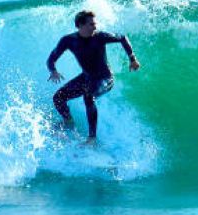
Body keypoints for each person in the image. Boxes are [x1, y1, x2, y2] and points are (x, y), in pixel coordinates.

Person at [46, 10, 140, 143]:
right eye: (91, 24)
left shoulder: (100, 37)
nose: (95, 27)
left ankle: (92, 138)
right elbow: (51, 58)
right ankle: (68, 121)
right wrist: (53, 70)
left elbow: (122, 37)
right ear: (80, 25)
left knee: (89, 96)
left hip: (105, 78)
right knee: (58, 98)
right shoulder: (68, 41)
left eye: (95, 24)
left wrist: (132, 58)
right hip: (87, 77)